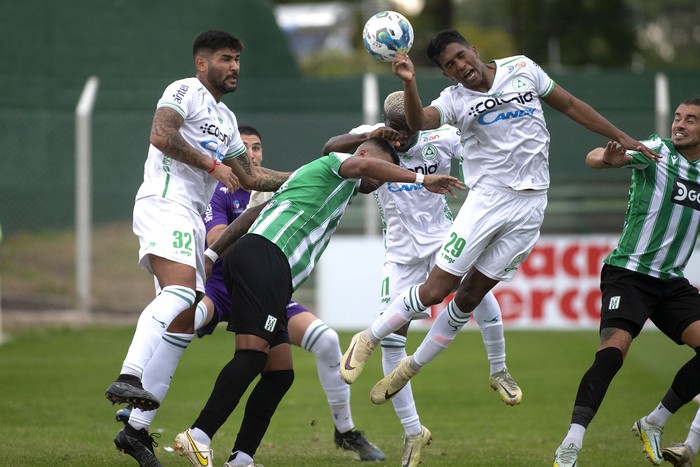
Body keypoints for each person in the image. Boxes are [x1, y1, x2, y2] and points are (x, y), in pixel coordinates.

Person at [339, 29, 658, 419]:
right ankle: (368, 337)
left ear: (473, 50)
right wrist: (409, 82)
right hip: (487, 201)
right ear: (445, 74)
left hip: (532, 205)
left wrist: (623, 137)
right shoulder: (454, 101)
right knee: (438, 288)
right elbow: (419, 121)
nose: (460, 67)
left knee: (470, 297)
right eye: (449, 66)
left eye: (460, 57)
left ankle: (413, 368)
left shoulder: (522, 68)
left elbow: (571, 104)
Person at [172, 137, 464, 466]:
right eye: (381, 173)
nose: (380, 181)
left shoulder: (317, 181)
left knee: (279, 372)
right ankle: (199, 435)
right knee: (252, 356)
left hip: (259, 262)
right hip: (267, 258)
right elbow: (356, 159)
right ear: (363, 157)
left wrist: (212, 254)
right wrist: (424, 178)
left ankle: (241, 458)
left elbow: (254, 213)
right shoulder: (336, 164)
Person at [115, 126, 384, 466]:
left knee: (291, 364)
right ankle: (150, 416)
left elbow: (266, 208)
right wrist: (210, 257)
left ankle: (248, 455)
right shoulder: (221, 191)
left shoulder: (290, 187)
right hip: (235, 281)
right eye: (243, 150)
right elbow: (220, 234)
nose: (252, 155)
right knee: (185, 322)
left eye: (257, 149)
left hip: (269, 280)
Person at [107, 30, 291, 466]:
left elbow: (249, 177)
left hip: (189, 215)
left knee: (182, 324)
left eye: (238, 60)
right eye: (226, 58)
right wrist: (211, 164)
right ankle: (127, 375)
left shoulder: (227, 121)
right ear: (202, 63)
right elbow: (161, 134)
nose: (235, 67)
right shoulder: (183, 91)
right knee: (179, 294)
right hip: (164, 202)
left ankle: (135, 430)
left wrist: (308, 177)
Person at [323, 90, 521, 466]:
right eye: (394, 129)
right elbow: (330, 147)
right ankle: (413, 432)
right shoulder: (372, 139)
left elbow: (479, 151)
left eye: (406, 130)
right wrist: (376, 134)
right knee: (393, 343)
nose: (399, 137)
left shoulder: (440, 137)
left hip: (443, 240)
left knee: (478, 293)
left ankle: (499, 369)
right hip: (399, 255)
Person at [551, 97, 700, 467]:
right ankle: (571, 442)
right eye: (678, 117)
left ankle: (654, 421)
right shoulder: (656, 151)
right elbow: (594, 156)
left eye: (691, 120)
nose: (679, 124)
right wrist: (607, 159)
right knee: (613, 353)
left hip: (671, 281)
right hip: (629, 273)